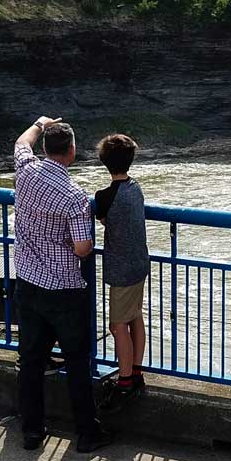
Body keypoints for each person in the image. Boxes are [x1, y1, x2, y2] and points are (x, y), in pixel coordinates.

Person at [12, 116, 110, 453]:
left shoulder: (25, 171)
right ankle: (86, 433)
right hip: (65, 289)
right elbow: (83, 248)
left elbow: (21, 144)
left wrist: (39, 123)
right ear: (70, 152)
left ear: (45, 148)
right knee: (78, 361)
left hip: (27, 281)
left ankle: (32, 431)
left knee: (31, 360)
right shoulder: (74, 196)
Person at [94, 133, 150, 408]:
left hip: (121, 269)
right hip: (139, 263)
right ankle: (136, 372)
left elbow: (105, 220)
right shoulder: (136, 187)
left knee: (117, 326)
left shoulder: (104, 196)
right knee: (135, 317)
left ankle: (125, 382)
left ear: (104, 161)